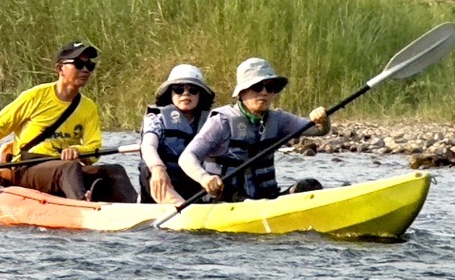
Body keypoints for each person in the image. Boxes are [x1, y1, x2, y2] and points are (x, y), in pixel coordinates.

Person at [0, 42, 136, 203]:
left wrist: (79, 151)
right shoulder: (35, 96)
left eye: (90, 66)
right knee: (69, 168)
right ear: (60, 68)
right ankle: (80, 207)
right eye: (78, 64)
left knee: (115, 170)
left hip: (63, 166)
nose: (85, 70)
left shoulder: (88, 107)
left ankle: (142, 210)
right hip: (28, 166)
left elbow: (94, 148)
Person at [179, 57, 329, 202]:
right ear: (242, 92)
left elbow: (319, 130)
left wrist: (322, 118)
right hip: (227, 199)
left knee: (310, 186)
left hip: (267, 197)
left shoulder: (279, 119)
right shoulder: (221, 121)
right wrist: (204, 178)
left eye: (270, 88)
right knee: (235, 194)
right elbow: (187, 157)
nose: (264, 92)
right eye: (257, 87)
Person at [137, 64, 214, 207]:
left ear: (200, 95)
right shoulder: (157, 118)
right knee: (147, 167)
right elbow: (148, 146)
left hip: (195, 183)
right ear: (170, 93)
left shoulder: (213, 121)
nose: (186, 94)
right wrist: (157, 167)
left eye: (192, 90)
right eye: (179, 90)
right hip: (164, 179)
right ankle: (181, 209)